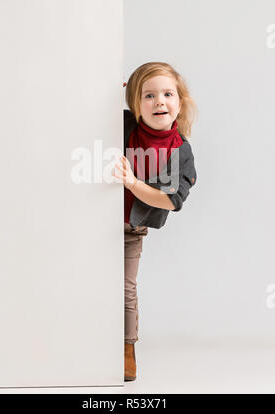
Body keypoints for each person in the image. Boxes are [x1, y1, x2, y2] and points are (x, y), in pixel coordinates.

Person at [113, 61, 198, 382]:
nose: (159, 101)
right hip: (91, 223)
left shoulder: (179, 151)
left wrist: (134, 184)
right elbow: (88, 112)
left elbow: (171, 200)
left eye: (167, 94)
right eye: (148, 96)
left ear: (180, 102)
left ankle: (126, 347)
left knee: (125, 288)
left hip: (129, 229)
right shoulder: (123, 125)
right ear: (135, 105)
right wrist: (106, 90)